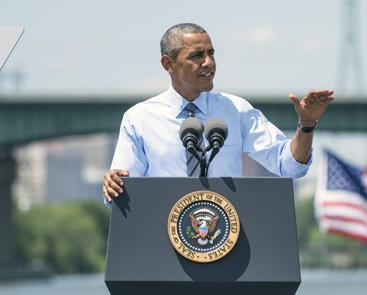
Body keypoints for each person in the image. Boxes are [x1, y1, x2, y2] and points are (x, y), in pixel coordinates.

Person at [103, 22, 333, 204]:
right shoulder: (139, 119)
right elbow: (123, 191)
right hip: (163, 241)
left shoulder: (236, 110)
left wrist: (306, 125)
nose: (209, 62)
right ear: (168, 64)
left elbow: (290, 166)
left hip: (226, 241)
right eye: (197, 55)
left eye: (211, 53)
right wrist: (113, 185)